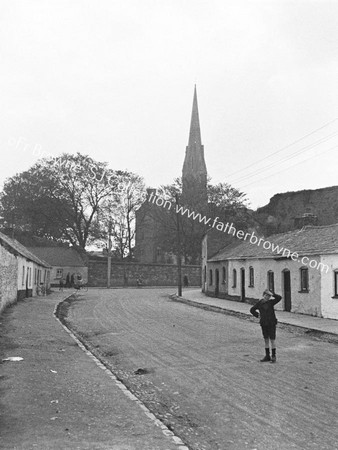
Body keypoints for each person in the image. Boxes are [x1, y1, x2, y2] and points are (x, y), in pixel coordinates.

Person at [250, 289, 282, 363]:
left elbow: (279, 298)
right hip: (264, 323)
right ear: (263, 295)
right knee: (266, 339)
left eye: (269, 296)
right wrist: (257, 315)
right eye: (266, 295)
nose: (267, 297)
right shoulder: (260, 303)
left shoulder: (271, 302)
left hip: (271, 323)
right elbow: (252, 310)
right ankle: (267, 356)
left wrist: (273, 294)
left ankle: (273, 356)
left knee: (272, 339)